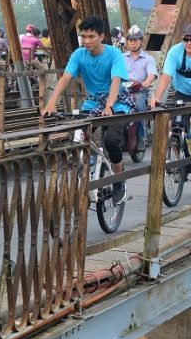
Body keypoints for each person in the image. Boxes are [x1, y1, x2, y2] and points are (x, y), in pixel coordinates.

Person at [40, 15, 133, 204]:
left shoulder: (113, 54)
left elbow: (116, 81)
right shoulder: (78, 54)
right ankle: (83, 172)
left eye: (91, 36)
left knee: (111, 140)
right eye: (83, 36)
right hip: (93, 102)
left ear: (101, 36)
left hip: (117, 102)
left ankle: (118, 182)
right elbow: (66, 78)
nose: (86, 41)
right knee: (78, 136)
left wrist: (109, 106)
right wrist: (51, 103)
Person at [123, 26, 158, 146]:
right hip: (123, 91)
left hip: (139, 90)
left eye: (135, 40)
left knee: (138, 108)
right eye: (130, 40)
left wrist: (147, 81)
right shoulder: (121, 58)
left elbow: (152, 73)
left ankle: (141, 138)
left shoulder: (148, 59)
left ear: (141, 41)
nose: (132, 43)